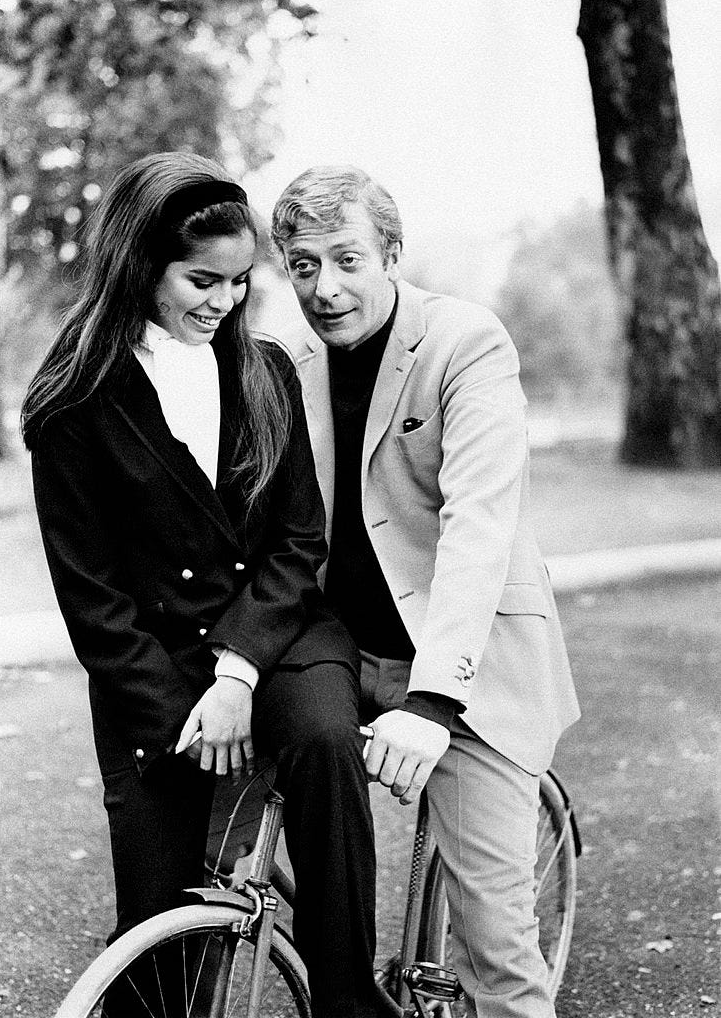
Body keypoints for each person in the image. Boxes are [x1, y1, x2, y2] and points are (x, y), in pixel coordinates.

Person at [21, 152, 382, 1018]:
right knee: (155, 943)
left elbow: (299, 545)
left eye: (236, 282)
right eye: (199, 281)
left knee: (327, 745)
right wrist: (188, 713)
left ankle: (346, 1000)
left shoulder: (264, 369)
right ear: (140, 265)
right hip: (152, 675)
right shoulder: (74, 403)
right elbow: (94, 603)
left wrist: (238, 673)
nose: (221, 302)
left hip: (280, 638)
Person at [271, 166, 581, 1018]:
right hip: (338, 653)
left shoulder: (465, 341)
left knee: (497, 954)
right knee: (236, 842)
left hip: (464, 670)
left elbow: (479, 526)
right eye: (303, 265)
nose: (325, 288)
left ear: (392, 255)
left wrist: (436, 699)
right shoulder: (285, 359)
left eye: (347, 259)